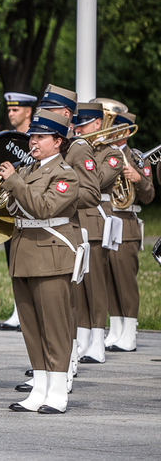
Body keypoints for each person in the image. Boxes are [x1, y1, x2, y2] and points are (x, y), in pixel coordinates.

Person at [0, 110, 79, 414]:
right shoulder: (28, 170)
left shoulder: (65, 174)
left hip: (50, 254)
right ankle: (40, 387)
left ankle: (57, 391)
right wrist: (7, 188)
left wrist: (15, 182)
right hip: (24, 253)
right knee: (31, 327)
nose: (33, 142)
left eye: (40, 137)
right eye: (32, 136)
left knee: (54, 326)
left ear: (58, 141)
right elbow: (15, 208)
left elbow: (43, 208)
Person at [103, 111, 154, 352]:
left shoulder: (137, 158)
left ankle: (130, 333)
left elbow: (149, 195)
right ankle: (115, 329)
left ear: (125, 131)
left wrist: (138, 179)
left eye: (115, 128)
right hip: (106, 221)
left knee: (125, 280)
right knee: (109, 279)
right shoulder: (103, 154)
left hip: (126, 222)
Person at [70, 103, 113, 364]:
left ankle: (98, 340)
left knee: (96, 285)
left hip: (96, 221)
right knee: (79, 286)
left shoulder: (112, 153)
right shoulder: (75, 148)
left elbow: (96, 181)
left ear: (98, 124)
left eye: (84, 124)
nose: (78, 129)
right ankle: (83, 337)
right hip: (77, 220)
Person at [0, 92, 37, 332]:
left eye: (16, 110)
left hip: (31, 206)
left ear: (28, 112)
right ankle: (18, 308)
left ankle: (28, 310)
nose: (11, 114)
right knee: (12, 258)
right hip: (10, 206)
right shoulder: (7, 139)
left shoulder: (35, 138)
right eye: (9, 110)